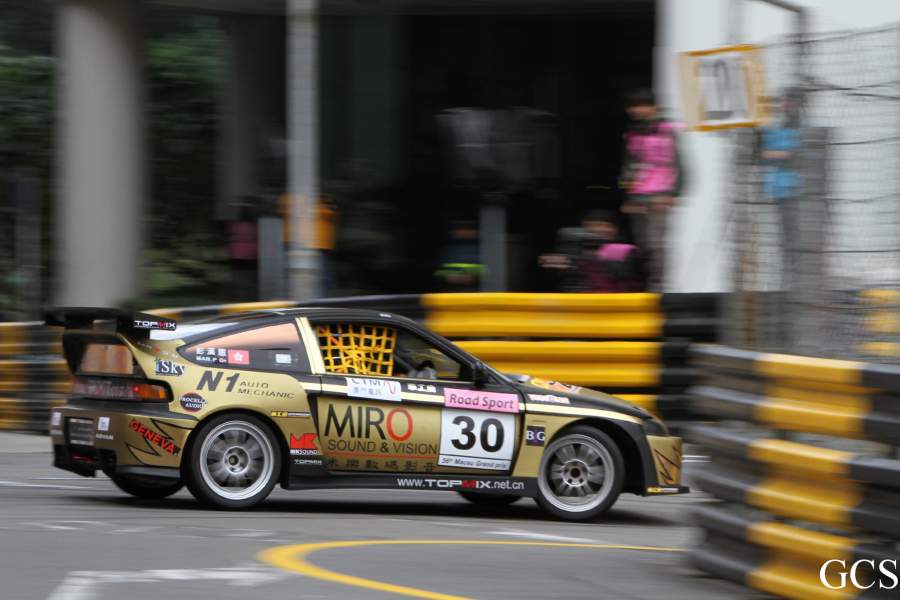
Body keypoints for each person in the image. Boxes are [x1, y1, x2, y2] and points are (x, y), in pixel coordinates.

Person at [619, 89, 685, 291]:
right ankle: (647, 283)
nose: (637, 110)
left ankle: (658, 286)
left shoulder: (668, 129)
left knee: (656, 243)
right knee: (643, 245)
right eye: (633, 106)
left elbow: (679, 162)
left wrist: (673, 193)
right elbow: (628, 165)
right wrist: (627, 195)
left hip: (660, 193)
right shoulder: (631, 132)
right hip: (638, 194)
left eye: (642, 105)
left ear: (654, 107)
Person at [539, 210, 642, 292]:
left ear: (615, 229)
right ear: (584, 228)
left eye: (606, 226)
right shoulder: (572, 251)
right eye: (594, 225)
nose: (600, 230)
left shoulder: (627, 251)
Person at [761, 89, 802, 285]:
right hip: (782, 189)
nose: (785, 106)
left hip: (796, 190)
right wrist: (777, 153)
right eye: (784, 102)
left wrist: (776, 154)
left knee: (795, 236)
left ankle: (795, 277)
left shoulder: (801, 126)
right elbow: (763, 154)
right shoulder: (779, 127)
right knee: (785, 237)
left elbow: (796, 155)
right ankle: (789, 277)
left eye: (789, 102)